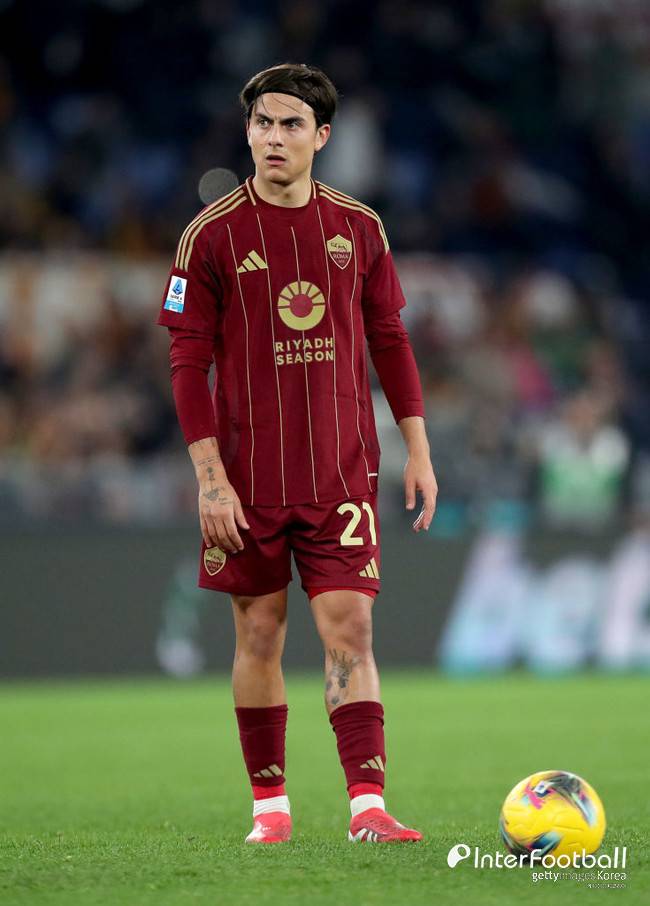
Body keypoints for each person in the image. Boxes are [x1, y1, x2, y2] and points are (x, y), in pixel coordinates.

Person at [157, 63, 438, 844]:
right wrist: (210, 481)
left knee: (351, 628)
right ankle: (271, 811)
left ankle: (367, 807)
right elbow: (186, 364)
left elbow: (390, 340)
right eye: (262, 123)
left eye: (290, 124)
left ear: (323, 136)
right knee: (260, 632)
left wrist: (418, 451)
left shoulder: (359, 227)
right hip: (246, 479)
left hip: (340, 470)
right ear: (247, 132)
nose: (273, 137)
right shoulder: (210, 235)